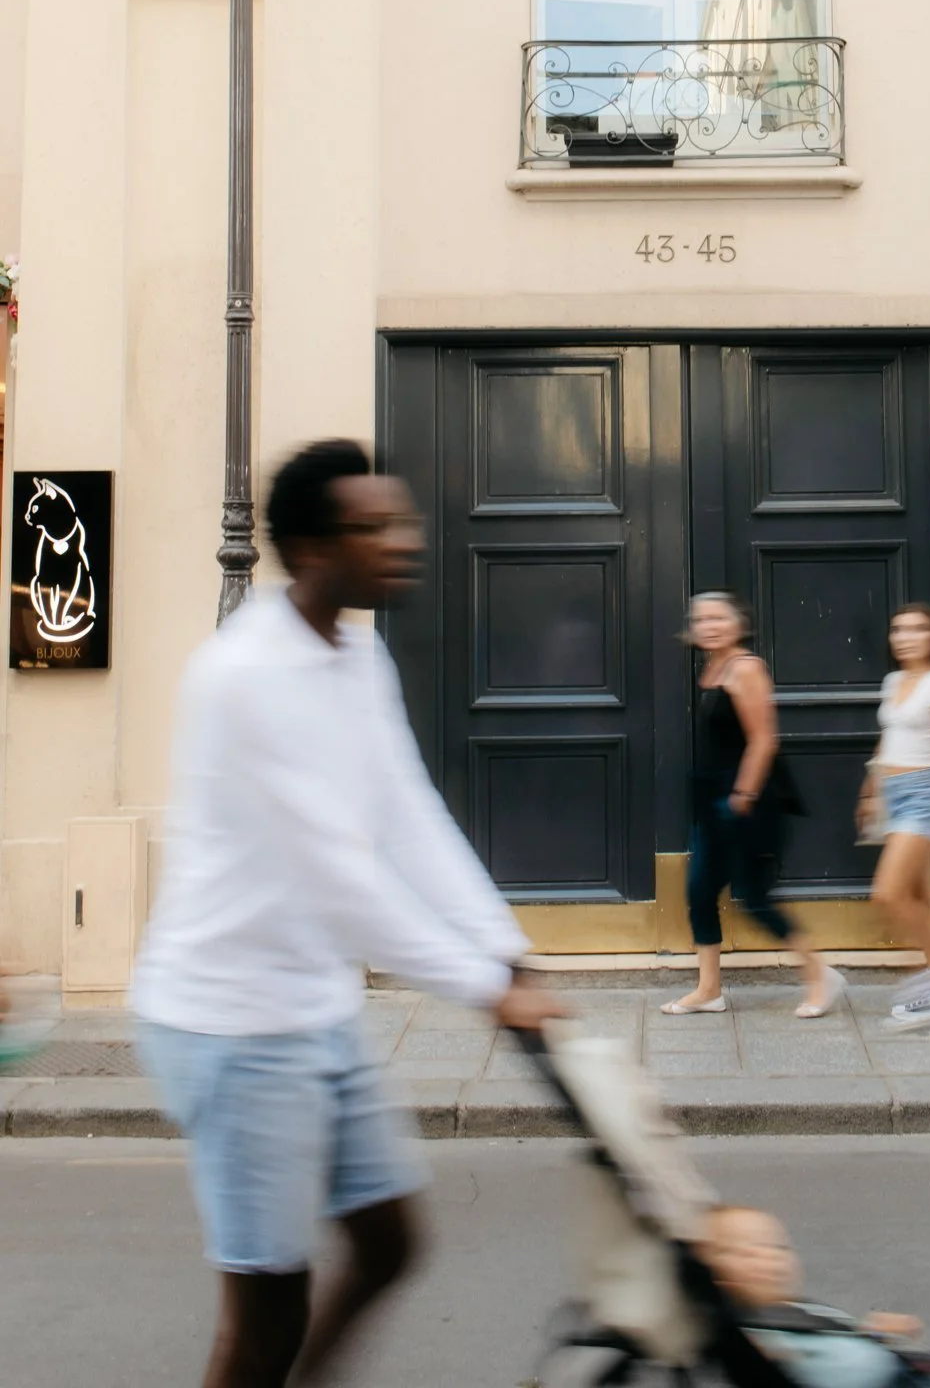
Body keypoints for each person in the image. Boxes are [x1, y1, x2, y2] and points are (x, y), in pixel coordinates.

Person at [133, 440, 564, 1388]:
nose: (403, 541)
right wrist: (484, 988)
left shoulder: (356, 657)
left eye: (399, 519)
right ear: (310, 549)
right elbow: (337, 877)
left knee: (387, 1244)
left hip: (312, 1008)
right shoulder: (245, 675)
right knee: (266, 1315)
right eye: (374, 528)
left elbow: (407, 814)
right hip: (230, 1021)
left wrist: (506, 949)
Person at [662, 591, 840, 1019]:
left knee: (757, 899)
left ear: (739, 624)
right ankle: (709, 990)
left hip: (748, 801)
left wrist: (741, 797)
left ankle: (821, 976)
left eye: (718, 618)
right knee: (700, 892)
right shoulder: (712, 668)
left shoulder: (746, 669)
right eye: (701, 619)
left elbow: (763, 740)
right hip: (714, 799)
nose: (708, 626)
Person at [701, 1205, 930, 1388]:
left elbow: (841, 1340)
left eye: (777, 1248)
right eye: (746, 1251)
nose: (769, 1259)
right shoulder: (755, 1341)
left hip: (910, 1375)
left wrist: (874, 1331)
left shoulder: (791, 1312)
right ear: (715, 1273)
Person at [859, 604, 930, 1031]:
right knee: (923, 901)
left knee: (887, 893)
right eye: (898, 629)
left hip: (925, 796)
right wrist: (870, 789)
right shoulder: (894, 681)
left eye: (916, 629)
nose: (905, 637)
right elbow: (889, 737)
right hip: (893, 794)